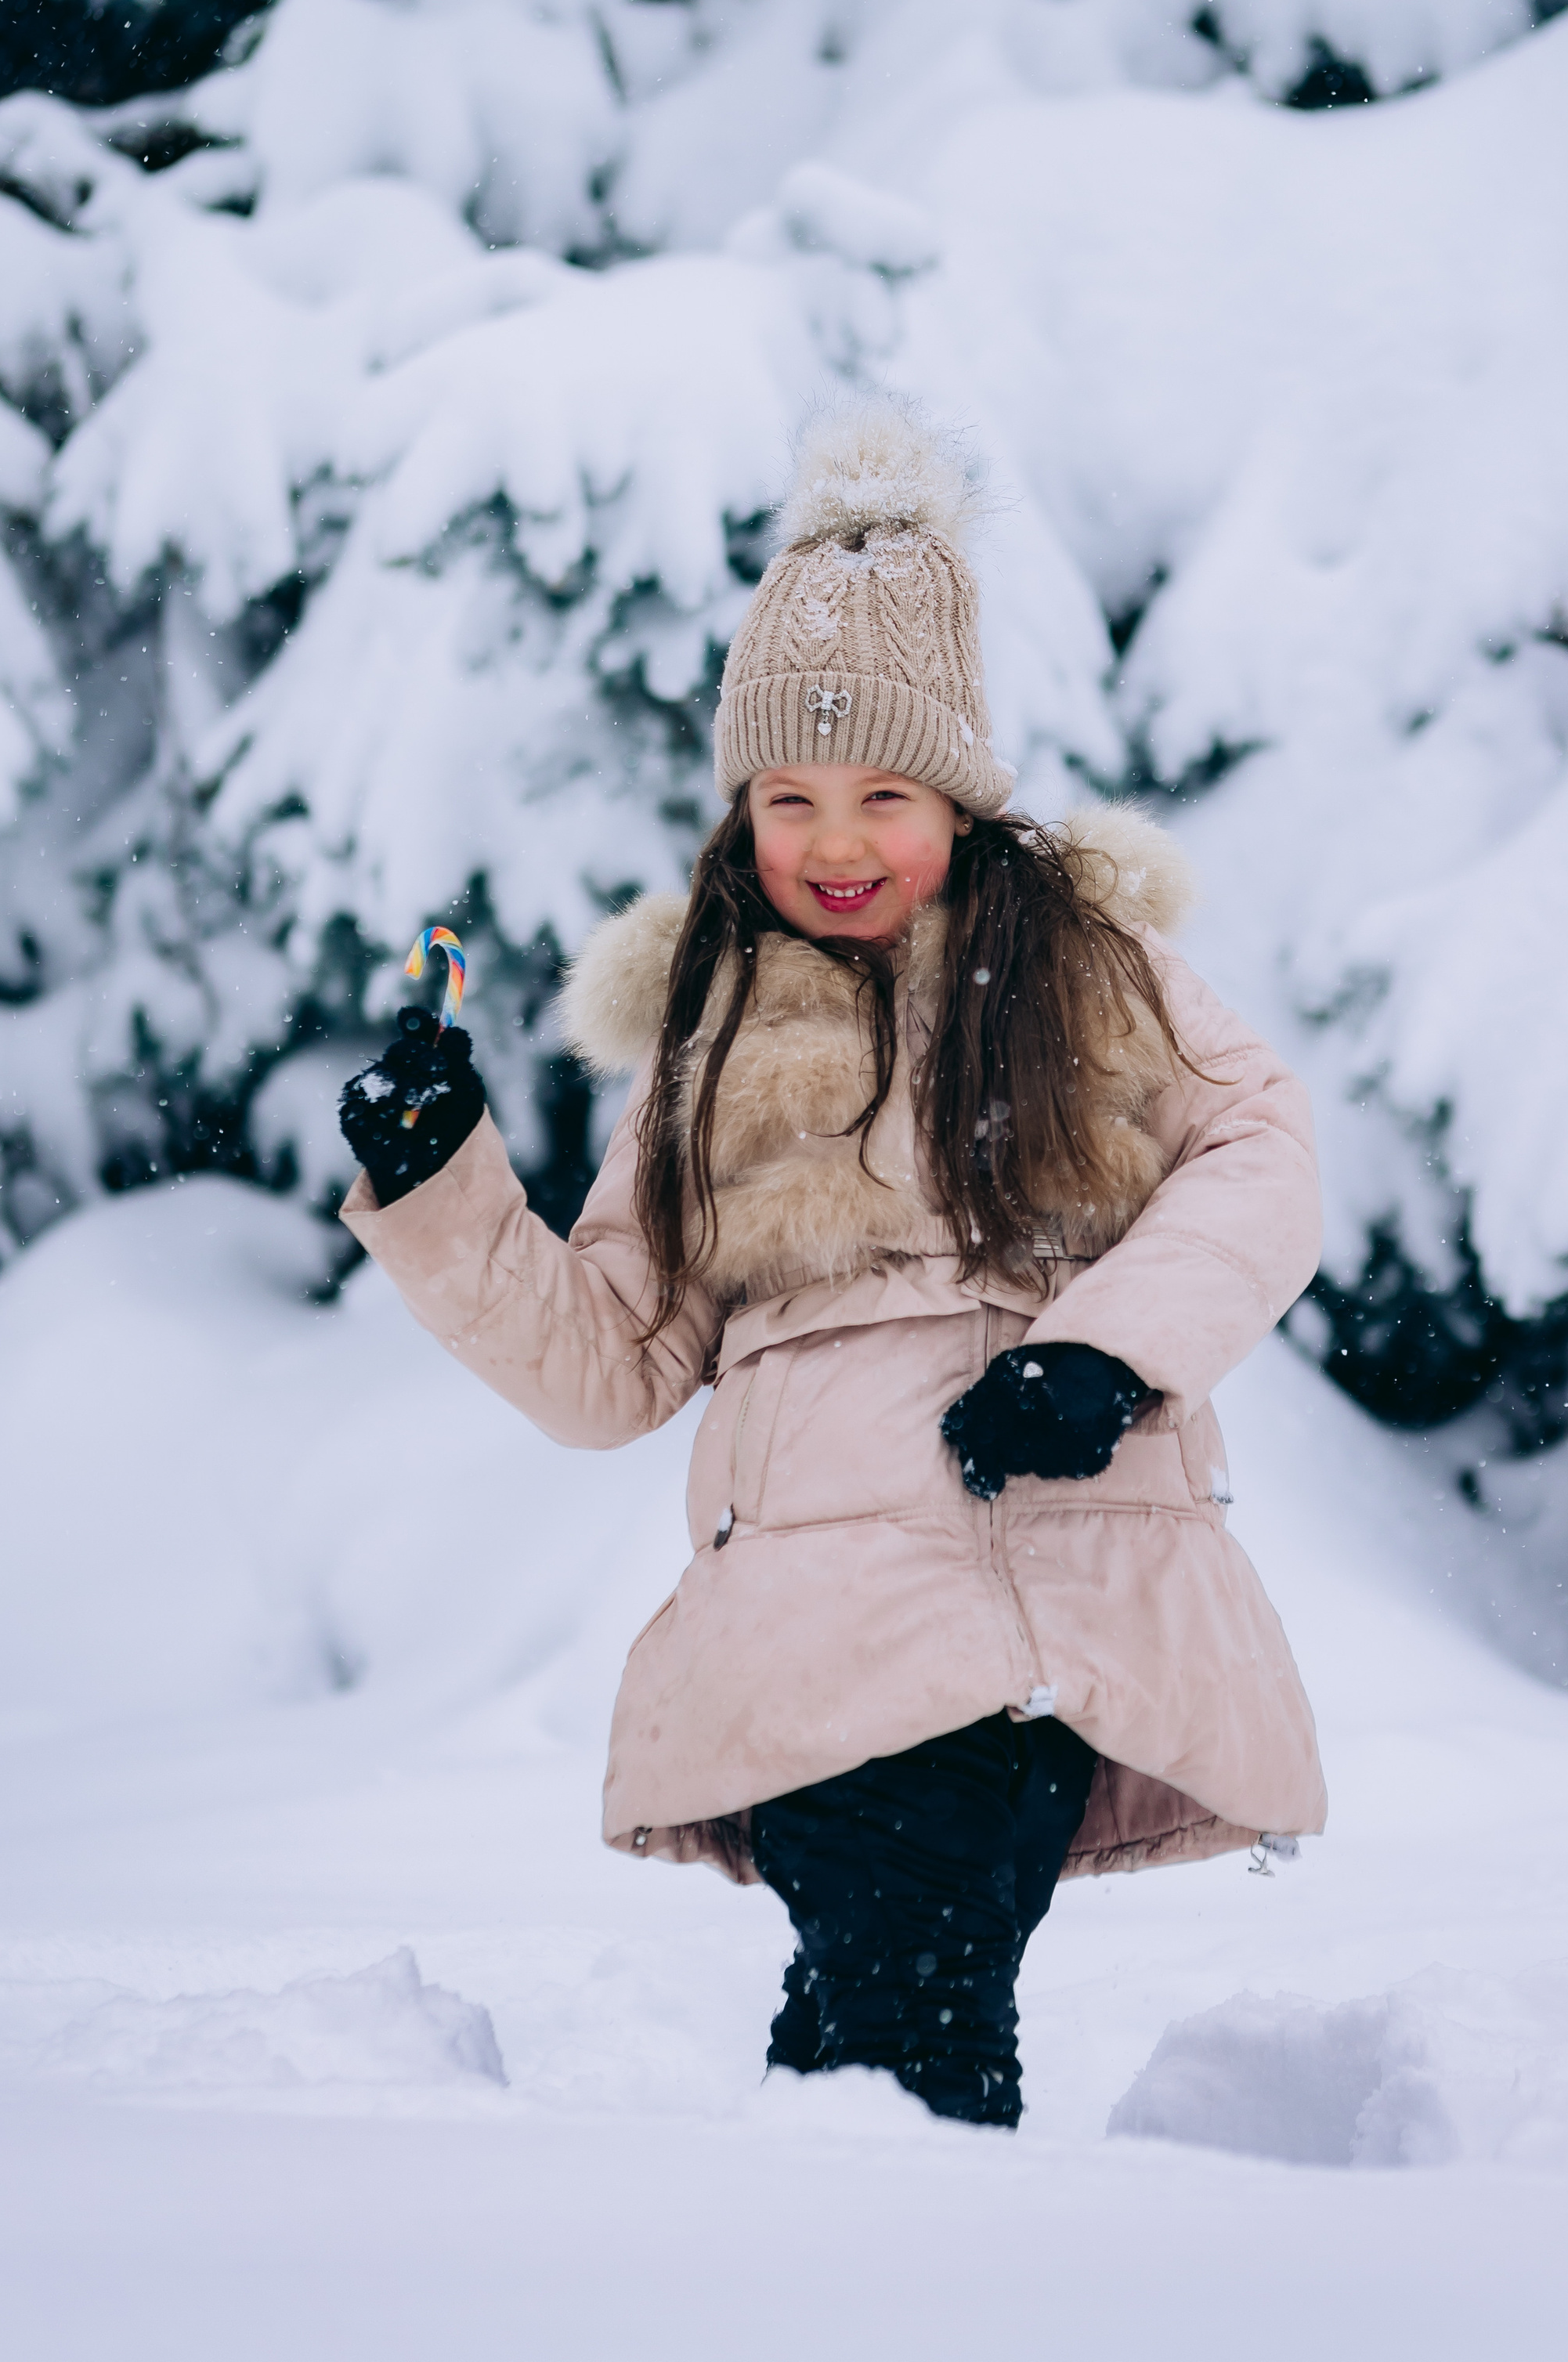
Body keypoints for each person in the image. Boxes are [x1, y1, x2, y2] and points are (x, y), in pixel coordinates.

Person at [338, 397, 1326, 2129]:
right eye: (787, 797)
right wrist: (441, 1180)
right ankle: (854, 2278)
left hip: (1032, 1619)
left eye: (883, 791)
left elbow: (1261, 1157)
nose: (835, 842)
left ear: (958, 793)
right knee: (873, 2045)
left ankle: (874, 2277)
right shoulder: (703, 1044)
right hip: (802, 1647)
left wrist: (1108, 1348)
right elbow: (607, 1363)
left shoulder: (1093, 976)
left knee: (904, 2020)